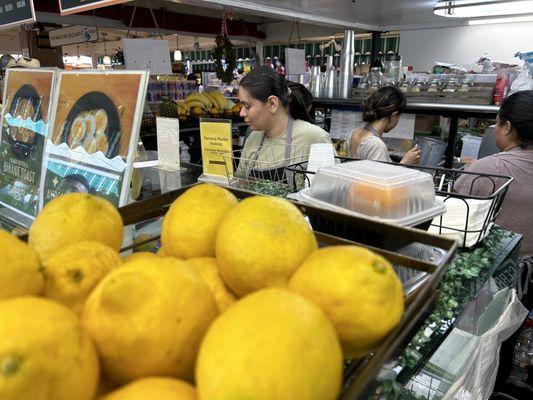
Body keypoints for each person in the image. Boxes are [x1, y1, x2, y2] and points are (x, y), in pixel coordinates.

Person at [455, 90, 533, 257]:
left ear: (507, 127)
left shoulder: (489, 169)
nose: (495, 129)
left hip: (493, 272)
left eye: (497, 123)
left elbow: (450, 220)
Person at [237, 66, 333, 176]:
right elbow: (241, 184)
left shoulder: (315, 138)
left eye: (247, 106)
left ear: (272, 104)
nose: (242, 113)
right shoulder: (253, 138)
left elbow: (334, 188)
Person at [346, 86, 420, 165]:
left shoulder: (354, 133)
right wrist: (404, 162)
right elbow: (379, 177)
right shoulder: (376, 144)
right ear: (394, 116)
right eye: (399, 117)